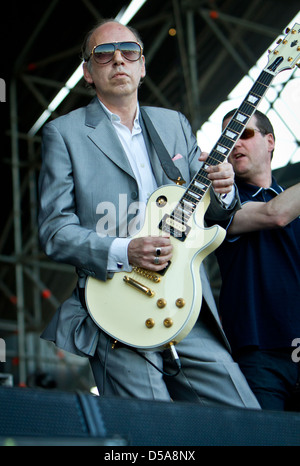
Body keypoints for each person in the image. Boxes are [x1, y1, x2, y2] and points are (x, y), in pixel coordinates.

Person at [38, 19, 260, 408]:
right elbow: (55, 231)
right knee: (151, 426)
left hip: (185, 300)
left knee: (243, 414)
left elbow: (214, 213)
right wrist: (126, 250)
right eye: (104, 54)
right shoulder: (65, 133)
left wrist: (224, 186)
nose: (118, 60)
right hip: (116, 303)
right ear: (89, 72)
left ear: (143, 65)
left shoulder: (173, 124)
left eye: (129, 52)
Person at [205, 108, 300, 410]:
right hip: (257, 352)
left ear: (270, 141)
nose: (234, 144)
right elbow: (276, 214)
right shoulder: (218, 207)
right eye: (228, 137)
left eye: (243, 133)